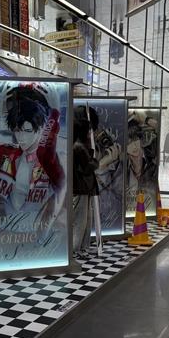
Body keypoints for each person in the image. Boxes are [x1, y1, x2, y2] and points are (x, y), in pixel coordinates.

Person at [0, 83, 65, 234]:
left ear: (42, 128)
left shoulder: (52, 160)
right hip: (3, 236)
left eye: (28, 131)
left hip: (40, 239)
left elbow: (46, 154)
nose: (21, 137)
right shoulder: (4, 153)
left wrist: (54, 114)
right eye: (17, 130)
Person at [71, 108, 99, 258]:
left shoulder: (79, 146)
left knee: (85, 219)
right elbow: (88, 167)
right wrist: (94, 161)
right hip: (80, 188)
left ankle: (81, 247)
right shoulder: (79, 147)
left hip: (83, 188)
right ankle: (77, 248)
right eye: (88, 130)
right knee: (81, 220)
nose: (90, 133)